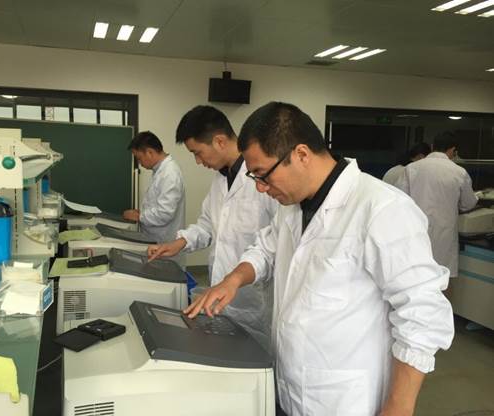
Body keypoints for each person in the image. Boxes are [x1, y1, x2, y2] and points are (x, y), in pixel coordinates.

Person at [185, 102, 454, 416]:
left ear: (301, 154)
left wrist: (398, 407)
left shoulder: (382, 209)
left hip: (343, 400)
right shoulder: (292, 207)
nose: (259, 188)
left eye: (263, 175)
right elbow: (265, 248)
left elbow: (421, 314)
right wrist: (234, 280)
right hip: (289, 386)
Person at [147, 105, 278, 350]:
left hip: (254, 301)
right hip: (220, 295)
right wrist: (180, 243)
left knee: (254, 358)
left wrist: (236, 278)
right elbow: (208, 224)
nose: (198, 161)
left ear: (219, 141)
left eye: (198, 153)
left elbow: (275, 243)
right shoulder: (221, 179)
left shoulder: (263, 181)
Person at [396, 132, 477, 282]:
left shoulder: (412, 168)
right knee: (440, 280)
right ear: (453, 150)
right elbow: (468, 203)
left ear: (433, 146)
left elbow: (399, 200)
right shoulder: (459, 172)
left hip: (415, 232)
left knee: (413, 279)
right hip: (443, 236)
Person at [122, 131, 185, 244]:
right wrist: (142, 212)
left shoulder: (170, 174)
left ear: (149, 152)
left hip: (163, 242)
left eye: (139, 158)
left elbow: (165, 213)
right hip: (156, 239)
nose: (139, 163)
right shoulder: (161, 171)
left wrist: (140, 216)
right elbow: (158, 203)